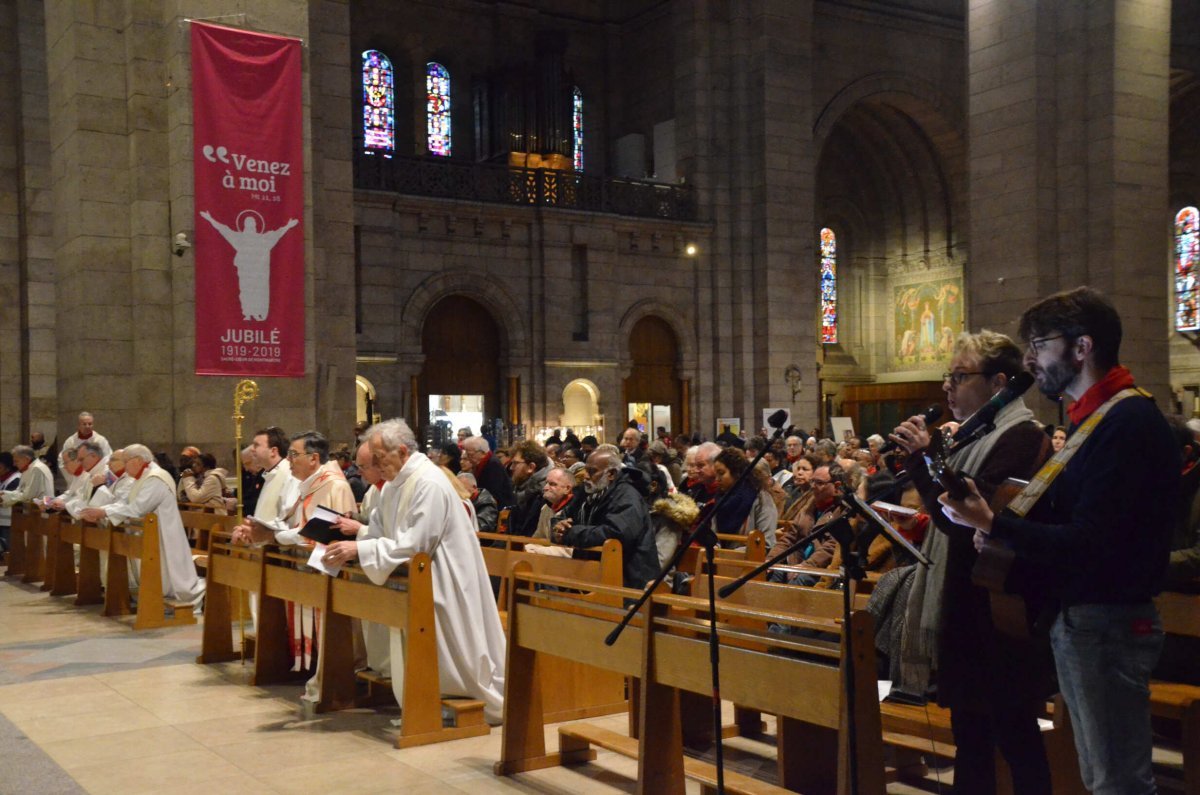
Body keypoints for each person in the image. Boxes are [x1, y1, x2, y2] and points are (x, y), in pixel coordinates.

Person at [938, 287, 1177, 795]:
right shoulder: (1095, 417)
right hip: (1085, 620)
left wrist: (996, 525)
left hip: (1108, 621)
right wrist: (999, 534)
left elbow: (1095, 541)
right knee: (1103, 777)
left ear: (1082, 347)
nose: (1031, 359)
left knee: (1118, 781)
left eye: (1041, 343)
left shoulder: (1127, 420)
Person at [888, 329, 1053, 795]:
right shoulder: (974, 435)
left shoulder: (1023, 438)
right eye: (949, 376)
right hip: (966, 604)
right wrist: (925, 462)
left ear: (999, 382)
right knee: (971, 739)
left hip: (999, 612)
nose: (947, 387)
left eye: (959, 376)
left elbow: (971, 510)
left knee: (1016, 738)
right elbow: (949, 518)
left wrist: (924, 460)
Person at [321, 419, 506, 724]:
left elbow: (416, 544)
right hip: (420, 579)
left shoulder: (428, 482)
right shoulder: (395, 484)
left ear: (403, 451)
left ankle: (458, 704)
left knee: (452, 649)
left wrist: (361, 550)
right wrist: (356, 543)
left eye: (380, 459)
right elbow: (380, 529)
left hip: (446, 580)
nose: (377, 467)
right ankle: (429, 702)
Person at [79, 444, 205, 608]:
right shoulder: (142, 477)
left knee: (171, 575)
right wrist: (102, 510)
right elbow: (124, 502)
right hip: (151, 533)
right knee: (159, 572)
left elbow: (138, 508)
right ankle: (156, 598)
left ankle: (182, 598)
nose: (124, 466)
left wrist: (103, 512)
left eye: (126, 461)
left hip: (164, 534)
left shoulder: (155, 478)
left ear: (138, 460)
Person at [552, 448, 660, 590]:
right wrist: (557, 527)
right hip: (592, 573)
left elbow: (615, 534)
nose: (585, 476)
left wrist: (570, 533)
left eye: (592, 471)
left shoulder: (627, 496)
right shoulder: (587, 492)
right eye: (585, 470)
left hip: (628, 580)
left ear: (611, 474)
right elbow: (563, 516)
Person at [506, 440, 550, 537]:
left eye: (515, 463)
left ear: (531, 467)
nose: (511, 468)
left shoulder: (545, 495)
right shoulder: (520, 489)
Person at [461, 435, 514, 510]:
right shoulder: (481, 464)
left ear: (482, 452)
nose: (469, 459)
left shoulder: (492, 465)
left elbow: (493, 493)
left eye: (470, 455)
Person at [58, 412, 112, 477]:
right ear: (78, 425)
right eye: (84, 424)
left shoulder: (101, 440)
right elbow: (62, 460)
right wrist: (73, 473)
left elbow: (108, 457)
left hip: (96, 474)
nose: (87, 426)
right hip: (76, 477)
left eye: (90, 424)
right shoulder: (70, 442)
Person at [0, 453, 19, 553]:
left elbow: (10, 498)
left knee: (7, 549)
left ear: (7, 467)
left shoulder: (15, 479)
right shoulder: (3, 478)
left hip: (10, 521)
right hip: (2, 520)